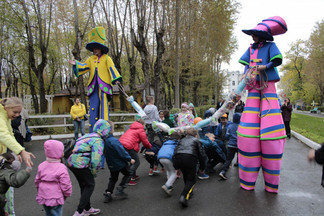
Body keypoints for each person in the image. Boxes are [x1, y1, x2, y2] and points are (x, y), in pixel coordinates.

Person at [237, 16, 287, 193]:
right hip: (253, 86)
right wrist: (245, 74)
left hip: (267, 84)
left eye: (254, 35)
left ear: (262, 36)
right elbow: (245, 64)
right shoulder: (251, 49)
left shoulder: (270, 46)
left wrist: (264, 67)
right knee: (248, 128)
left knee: (270, 126)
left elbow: (277, 60)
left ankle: (271, 185)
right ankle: (247, 182)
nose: (252, 37)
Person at [69, 26, 122, 133]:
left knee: (104, 108)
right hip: (93, 86)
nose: (95, 50)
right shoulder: (90, 59)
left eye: (96, 48)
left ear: (101, 48)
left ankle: (104, 130)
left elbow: (112, 68)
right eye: (93, 49)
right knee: (93, 107)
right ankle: (93, 131)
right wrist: (76, 64)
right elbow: (84, 67)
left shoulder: (107, 58)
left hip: (104, 86)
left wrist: (115, 78)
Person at [67, 119, 111, 216]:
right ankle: (79, 211)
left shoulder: (88, 135)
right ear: (105, 130)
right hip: (81, 163)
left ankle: (87, 208)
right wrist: (94, 173)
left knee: (84, 185)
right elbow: (96, 159)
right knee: (90, 184)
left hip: (71, 162)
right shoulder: (98, 140)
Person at [35, 140, 72, 216]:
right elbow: (66, 184)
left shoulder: (41, 165)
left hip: (43, 195)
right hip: (56, 196)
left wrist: (39, 190)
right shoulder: (61, 167)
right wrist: (67, 194)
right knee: (56, 213)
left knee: (48, 213)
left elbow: (37, 181)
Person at [102, 121, 135, 203]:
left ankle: (108, 193)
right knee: (128, 173)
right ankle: (121, 188)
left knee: (113, 178)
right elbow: (122, 151)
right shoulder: (114, 141)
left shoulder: (103, 141)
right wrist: (129, 159)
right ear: (110, 130)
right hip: (120, 163)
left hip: (111, 164)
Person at [173, 128, 206, 207]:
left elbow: (175, 152)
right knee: (191, 179)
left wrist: (176, 167)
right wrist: (202, 167)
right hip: (190, 157)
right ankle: (183, 196)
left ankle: (189, 192)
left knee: (186, 175)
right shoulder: (196, 141)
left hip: (178, 157)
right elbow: (202, 155)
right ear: (195, 135)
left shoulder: (181, 140)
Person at [0, 97, 35, 168]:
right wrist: (22, 151)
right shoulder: (1, 118)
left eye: (19, 112)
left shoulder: (6, 117)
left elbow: (10, 134)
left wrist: (17, 151)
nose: (17, 115)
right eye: (15, 112)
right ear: (6, 108)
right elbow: (4, 135)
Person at [119, 119, 152, 186]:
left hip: (121, 145)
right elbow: (145, 142)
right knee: (136, 162)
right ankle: (128, 178)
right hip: (129, 146)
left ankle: (133, 176)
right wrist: (150, 147)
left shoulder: (131, 128)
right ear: (143, 124)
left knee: (132, 161)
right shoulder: (141, 130)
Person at [219, 113, 241, 180]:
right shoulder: (241, 126)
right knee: (241, 159)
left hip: (231, 145)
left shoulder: (230, 126)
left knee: (228, 160)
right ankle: (242, 175)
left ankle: (223, 172)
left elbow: (227, 136)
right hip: (239, 145)